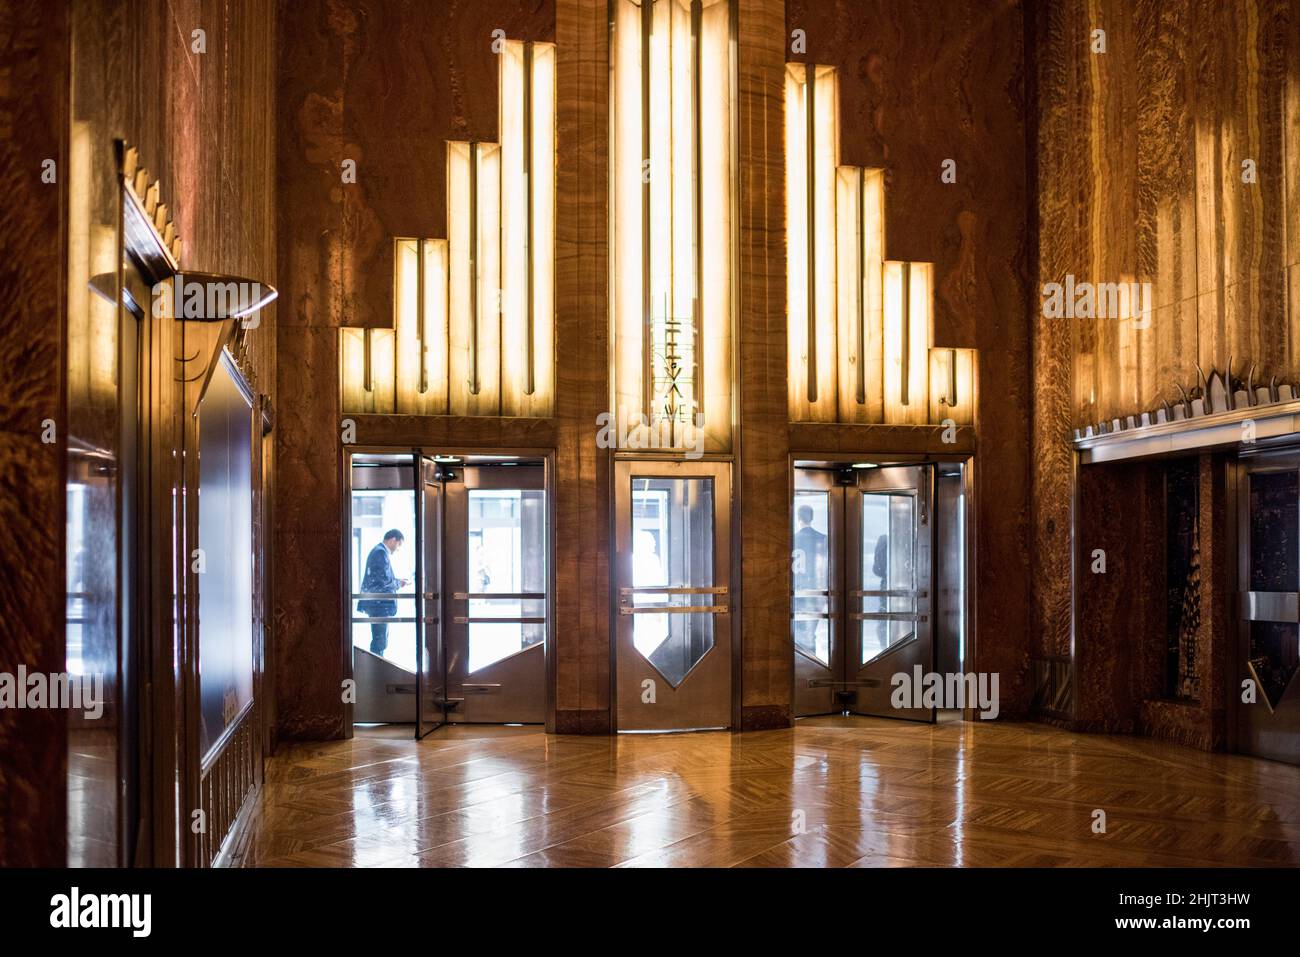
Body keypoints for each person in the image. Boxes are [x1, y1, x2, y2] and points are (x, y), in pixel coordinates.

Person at [358, 529, 408, 656]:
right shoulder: (380, 553)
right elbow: (384, 582)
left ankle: (376, 670)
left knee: (380, 641)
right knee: (380, 642)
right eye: (399, 544)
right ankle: (376, 672)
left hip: (377, 604)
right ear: (392, 540)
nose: (398, 549)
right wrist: (399, 583)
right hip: (379, 605)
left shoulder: (379, 551)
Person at [792, 505, 827, 656]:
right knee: (810, 633)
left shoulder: (792, 539)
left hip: (797, 592)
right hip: (816, 594)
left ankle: (801, 663)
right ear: (811, 518)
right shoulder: (823, 539)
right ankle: (811, 662)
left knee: (798, 634)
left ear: (798, 518)